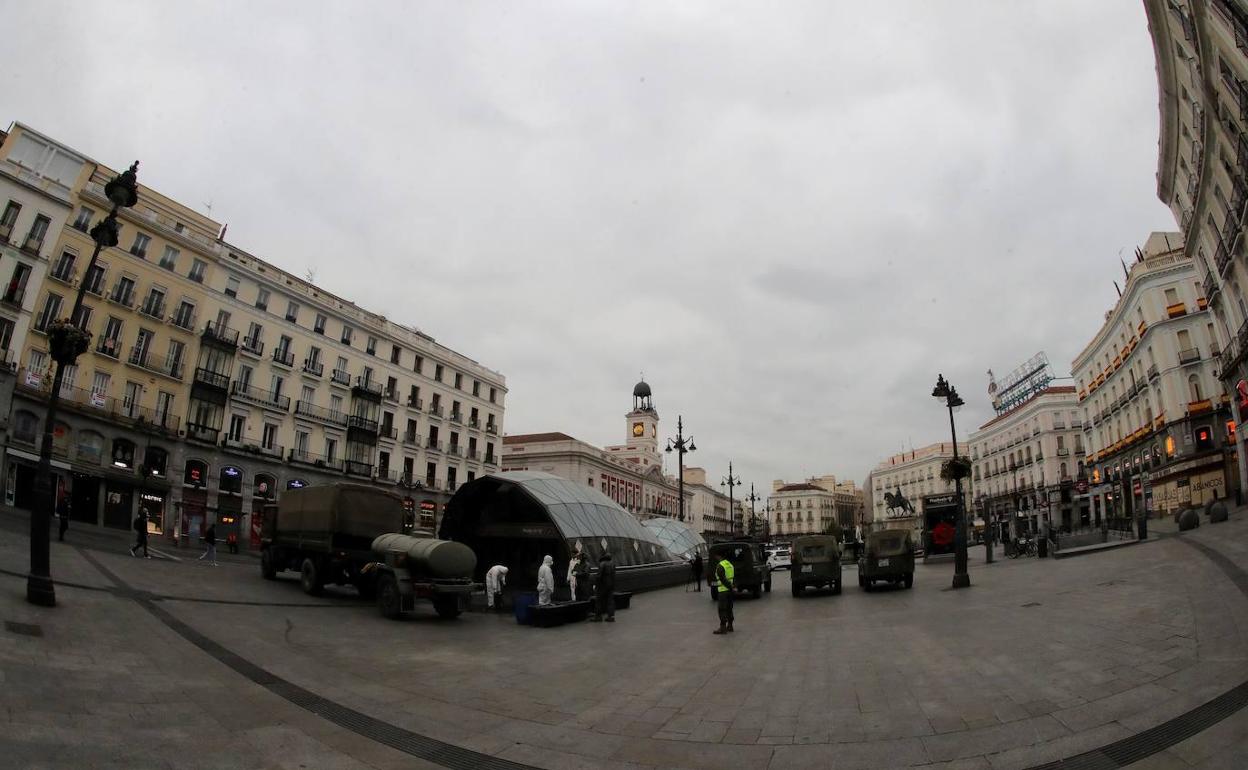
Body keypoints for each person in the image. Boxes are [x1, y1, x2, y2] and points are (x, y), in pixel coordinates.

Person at [591, 551, 616, 622]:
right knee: (610, 601)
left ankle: (598, 616)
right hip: (610, 585)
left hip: (602, 585)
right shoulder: (612, 564)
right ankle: (611, 616)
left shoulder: (602, 564)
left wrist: (595, 584)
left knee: (599, 601)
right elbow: (614, 576)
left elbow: (599, 576)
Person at [713, 553, 735, 635]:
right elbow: (732, 577)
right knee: (729, 608)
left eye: (716, 555)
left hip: (723, 591)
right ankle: (730, 626)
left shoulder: (720, 565)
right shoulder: (730, 564)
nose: (716, 557)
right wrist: (732, 587)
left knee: (722, 609)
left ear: (719, 556)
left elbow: (722, 579)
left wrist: (729, 586)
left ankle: (723, 628)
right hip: (730, 591)